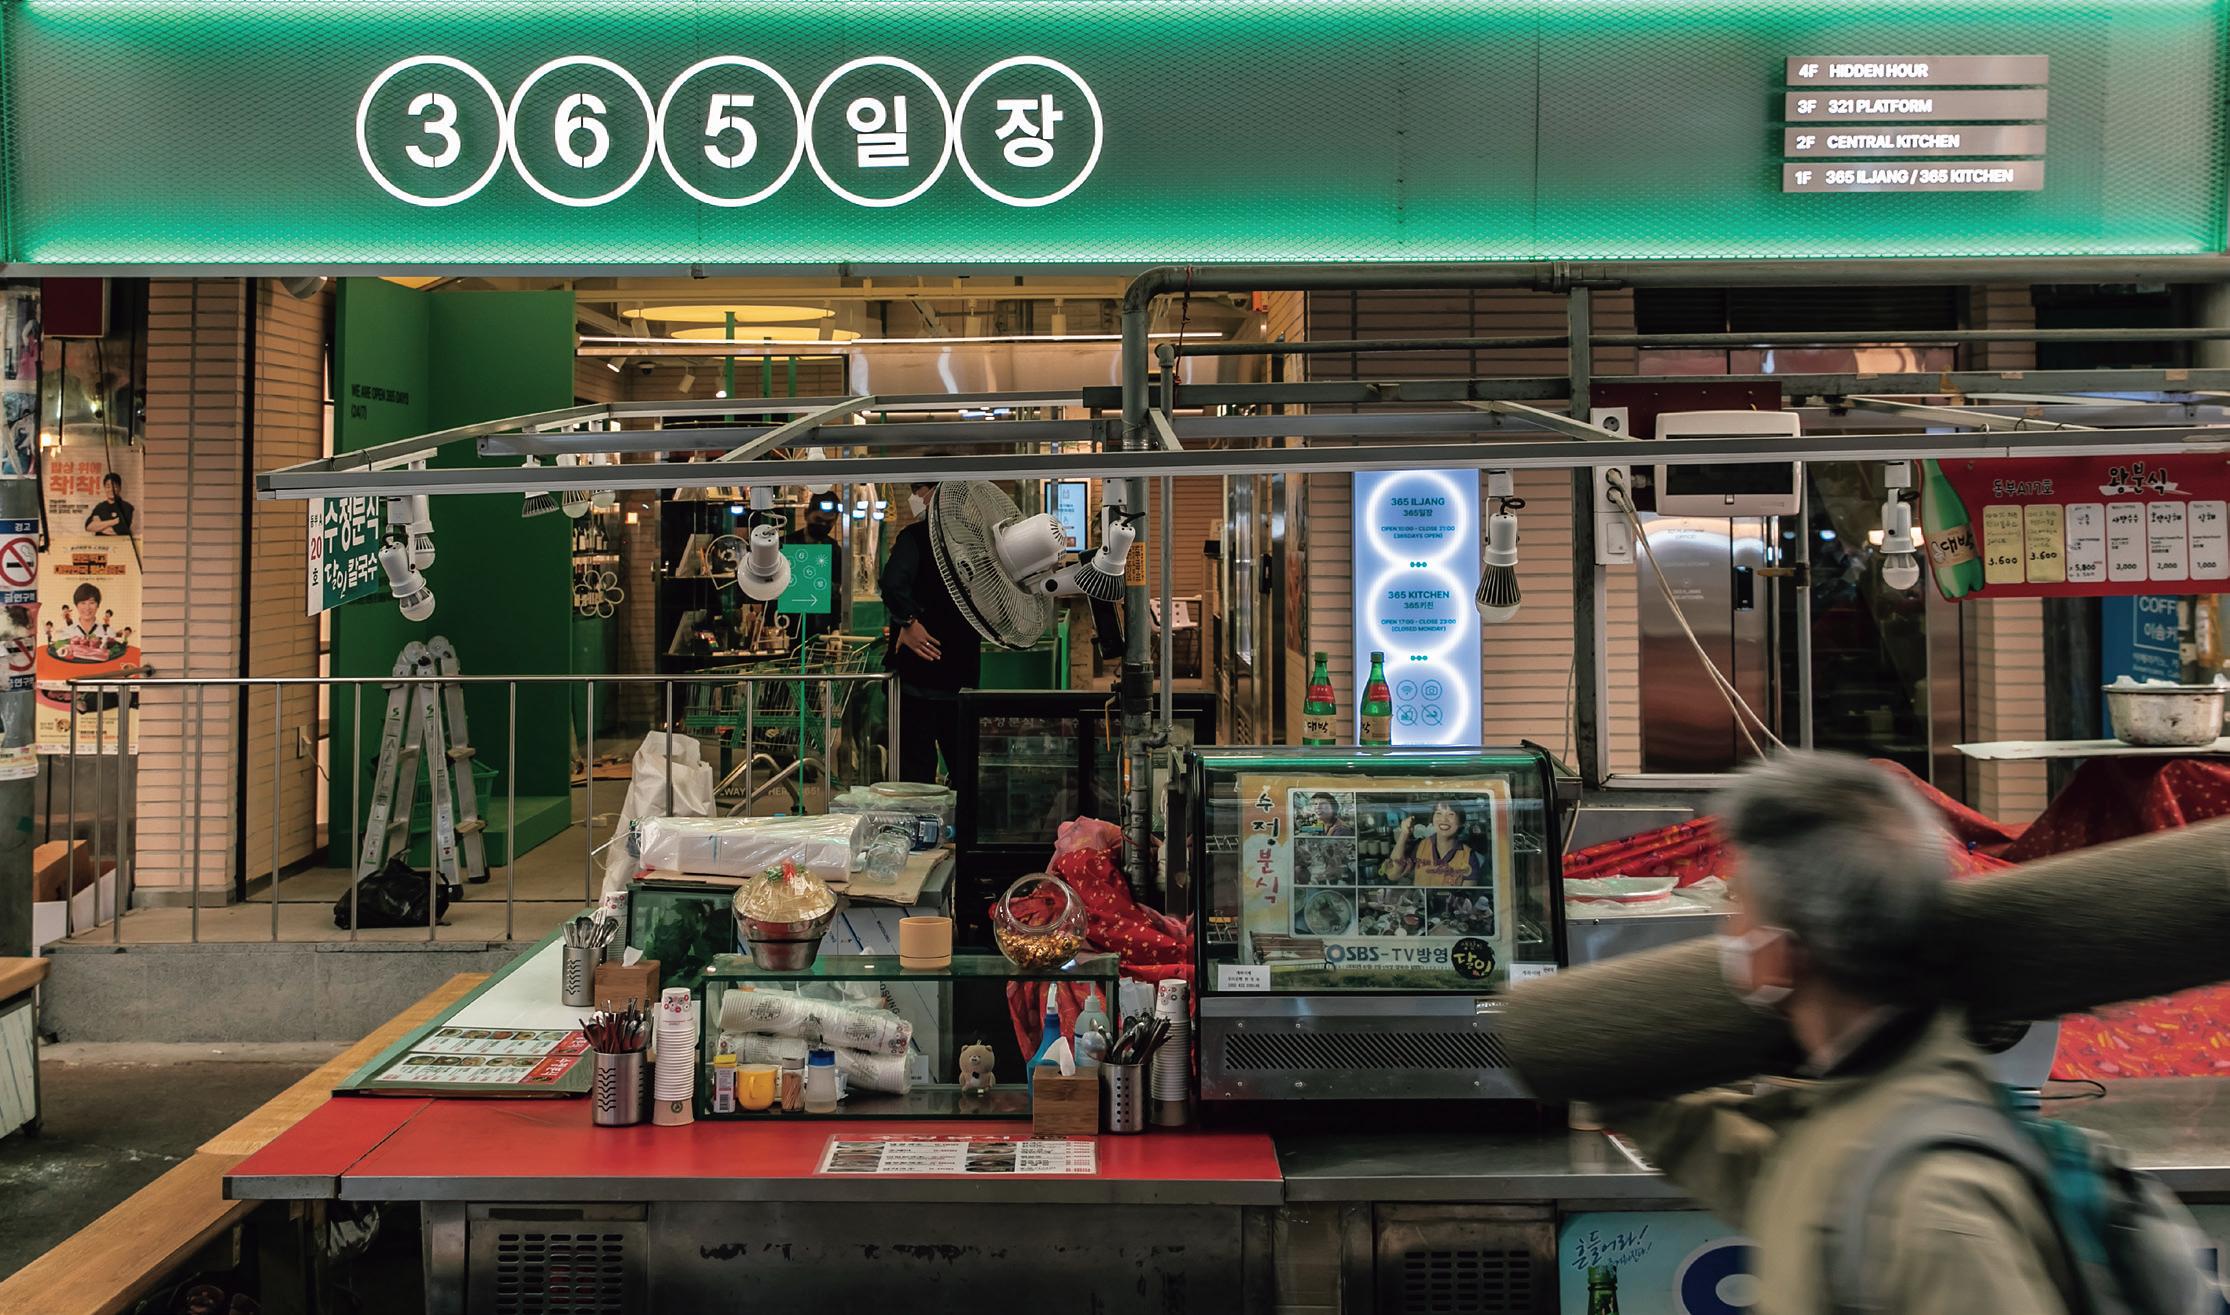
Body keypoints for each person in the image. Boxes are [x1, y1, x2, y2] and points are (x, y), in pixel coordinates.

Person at [1606, 752, 2071, 1315]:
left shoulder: (1935, 1209)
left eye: (1738, 904)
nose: (1728, 929)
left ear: (1784, 951)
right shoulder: (1860, 1108)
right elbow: (1779, 1184)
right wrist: (1609, 1074)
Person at [879, 483, 982, 784]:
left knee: (914, 774)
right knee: (964, 769)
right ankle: (962, 815)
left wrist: (908, 622)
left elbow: (892, 584)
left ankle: (915, 816)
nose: (914, 497)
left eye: (917, 490)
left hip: (918, 678)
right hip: (961, 677)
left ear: (936, 493)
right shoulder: (975, 544)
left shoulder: (916, 537)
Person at [1378, 801, 1478, 886]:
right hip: (1421, 903)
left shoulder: (1468, 856)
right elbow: (1393, 874)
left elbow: (1467, 896)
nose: (1444, 819)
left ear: (1461, 822)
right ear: (1432, 820)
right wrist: (1404, 834)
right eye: (1438, 813)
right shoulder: (1420, 847)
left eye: (1451, 814)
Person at [83, 471, 134, 537]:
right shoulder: (100, 507)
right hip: (100, 542)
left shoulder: (127, 507)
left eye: (115, 486)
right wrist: (113, 522)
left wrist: (99, 526)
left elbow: (120, 531)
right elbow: (88, 527)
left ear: (120, 488)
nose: (111, 490)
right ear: (104, 488)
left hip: (118, 542)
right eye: (108, 487)